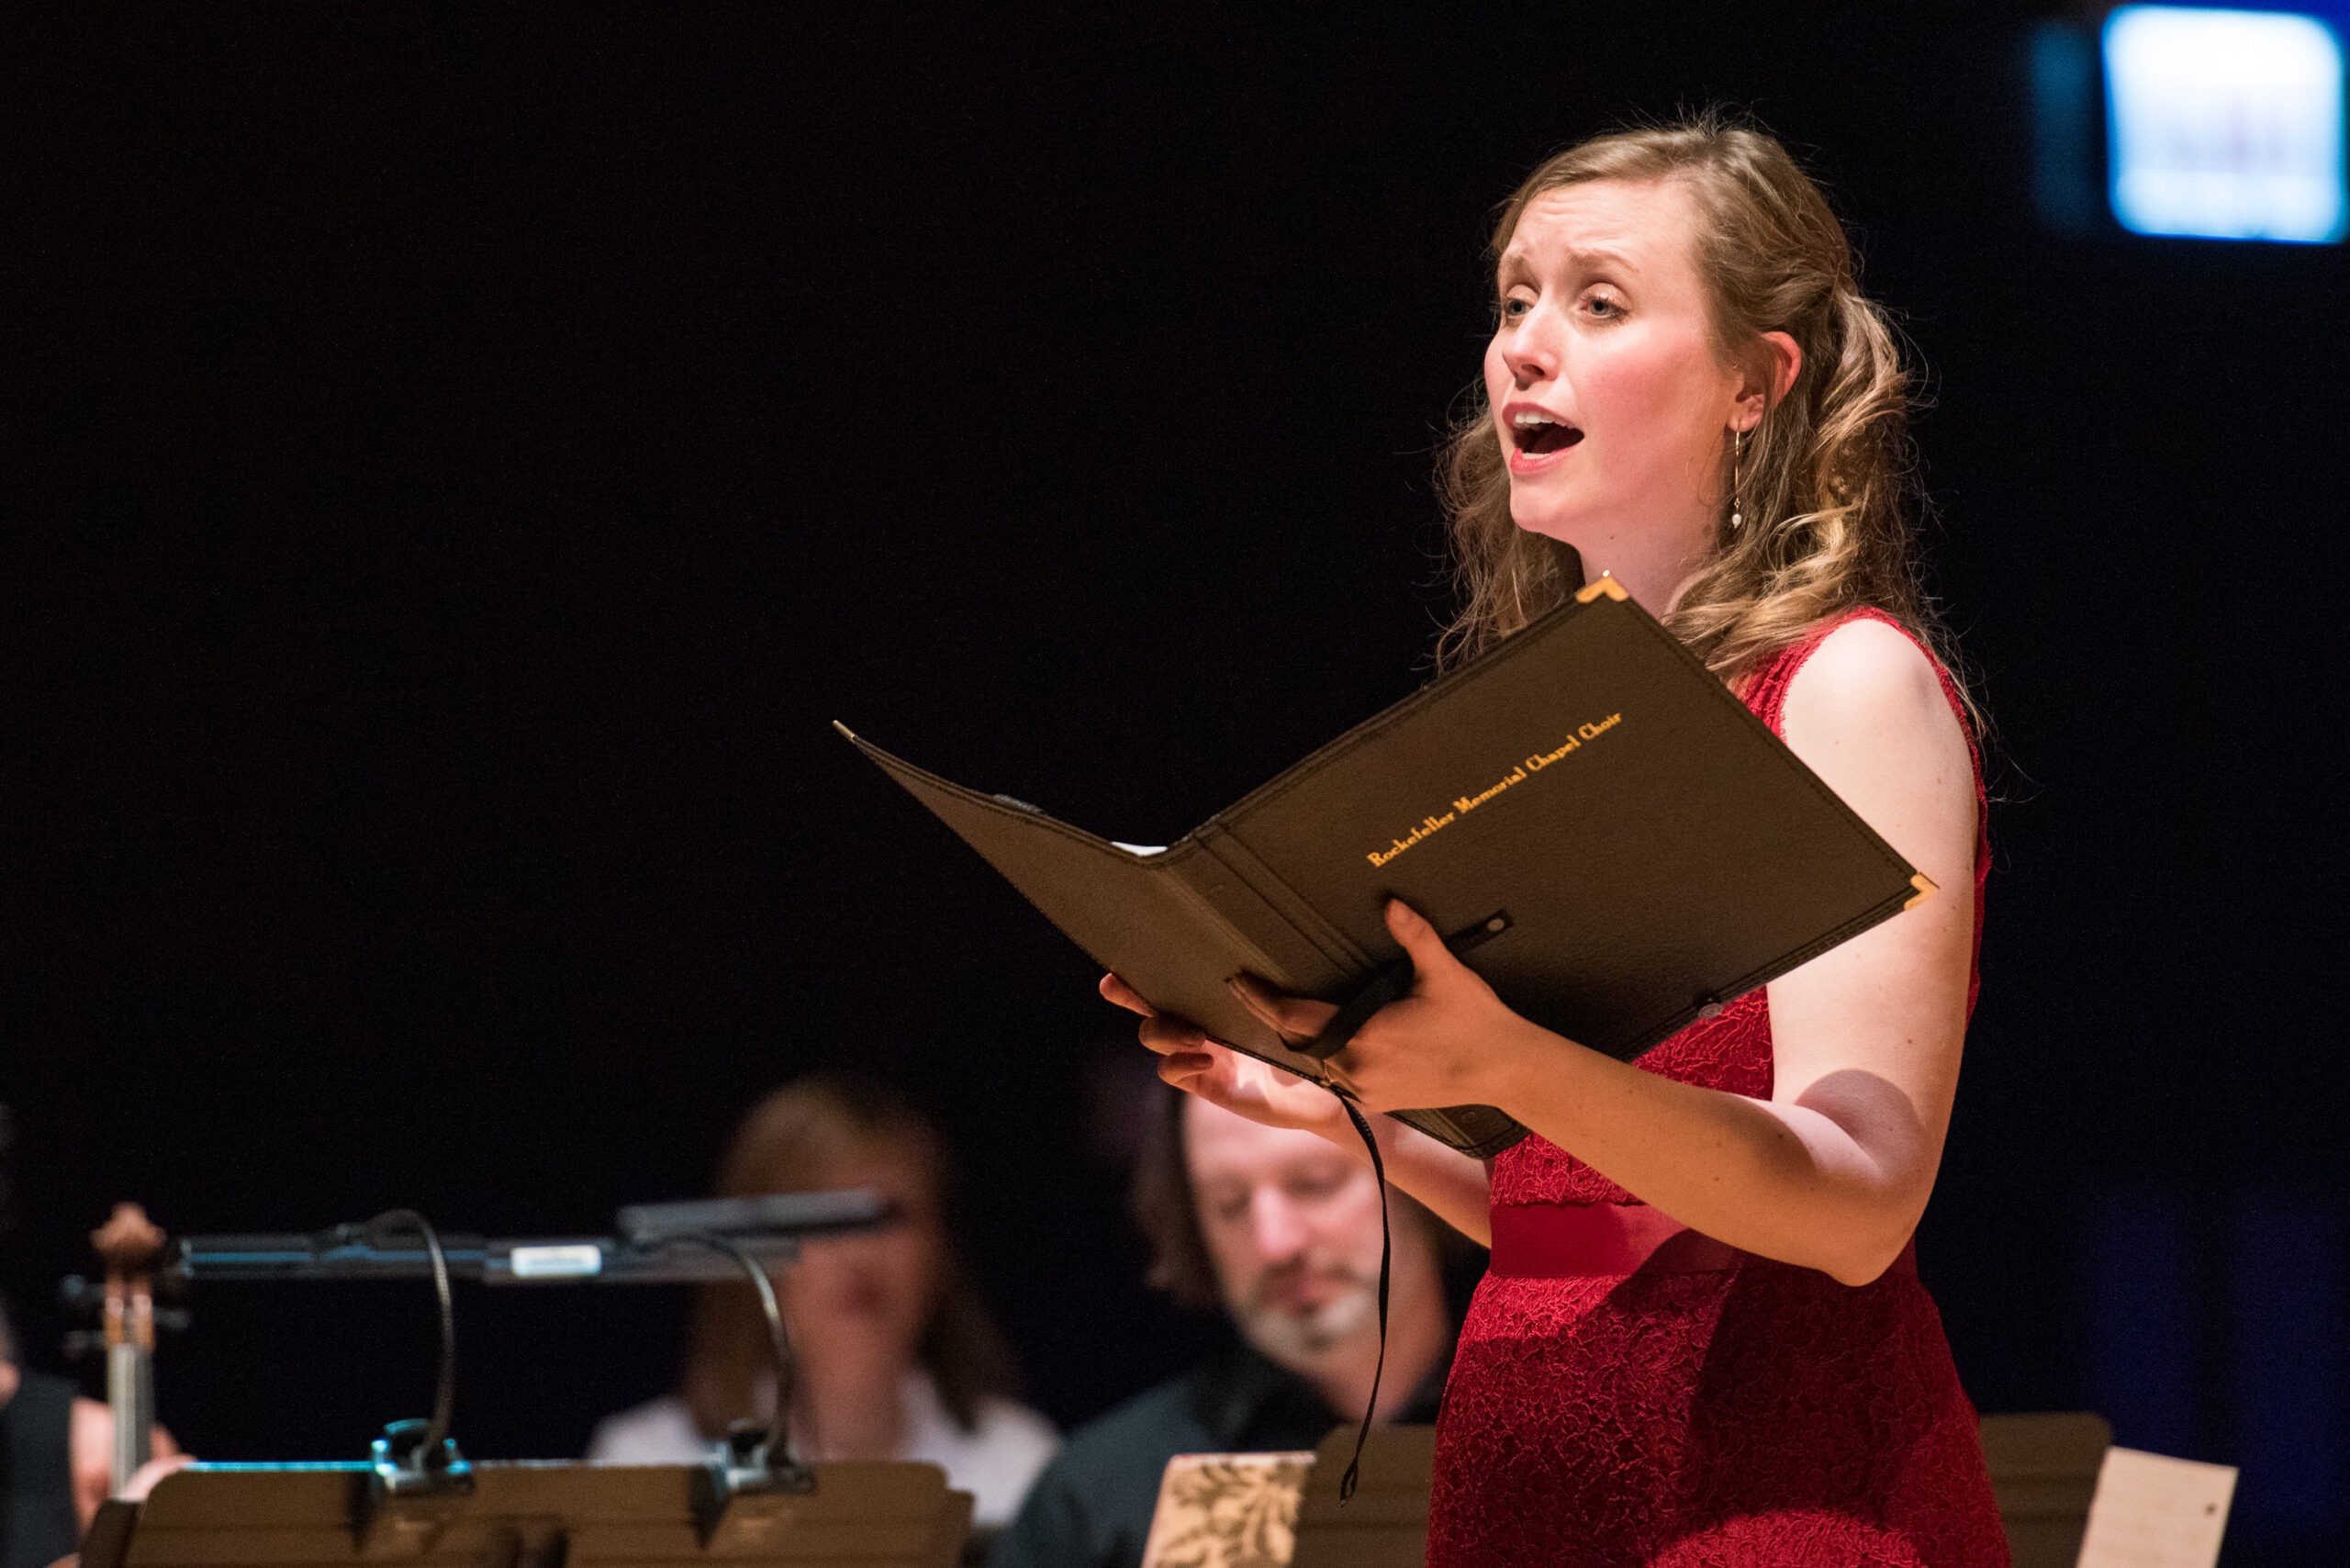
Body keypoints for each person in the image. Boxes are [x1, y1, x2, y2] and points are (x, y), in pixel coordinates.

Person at [1105, 113, 2009, 1565]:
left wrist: (1506, 1063)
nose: (1526, 346)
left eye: (1599, 303)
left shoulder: (1846, 684)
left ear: (1753, 383)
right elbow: (1581, 1220)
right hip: (1524, 1494)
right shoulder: (1549, 713)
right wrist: (1366, 1115)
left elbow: (1856, 1205)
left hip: (1774, 1493)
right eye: (1514, 302)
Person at [989, 1081, 1455, 1568]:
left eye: (1315, 1182)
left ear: (1429, 1178)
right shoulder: (1097, 1493)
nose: (1275, 1244)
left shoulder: (1537, 1424)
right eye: (1230, 1204)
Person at [587, 1076, 1057, 1529]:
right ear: (750, 1253)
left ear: (941, 1250)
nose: (859, 1255)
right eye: (823, 1219)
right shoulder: (646, 1462)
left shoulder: (1020, 1463)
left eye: (886, 1217)